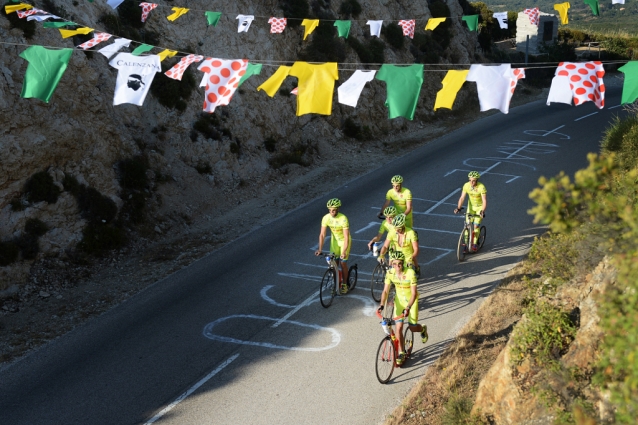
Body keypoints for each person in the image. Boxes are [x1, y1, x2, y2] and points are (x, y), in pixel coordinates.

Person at [377, 251, 428, 366]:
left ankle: (423, 329)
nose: (397, 266)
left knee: (412, 327)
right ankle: (401, 352)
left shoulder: (410, 273)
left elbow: (414, 293)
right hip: (399, 303)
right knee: (398, 328)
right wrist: (381, 304)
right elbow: (385, 291)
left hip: (411, 302)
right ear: (392, 264)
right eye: (394, 264)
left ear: (403, 263)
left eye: (399, 264)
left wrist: (408, 307)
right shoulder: (390, 273)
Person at [315, 198, 351, 292]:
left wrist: (343, 251)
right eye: (330, 210)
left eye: (334, 210)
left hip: (344, 241)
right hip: (334, 242)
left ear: (338, 209)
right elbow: (322, 235)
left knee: (343, 263)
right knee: (334, 264)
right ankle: (336, 285)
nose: (332, 212)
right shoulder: (326, 218)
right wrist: (320, 249)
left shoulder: (343, 218)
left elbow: (346, 237)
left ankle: (344, 284)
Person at [454, 171, 487, 252]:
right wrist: (458, 208)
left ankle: (475, 243)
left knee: (475, 226)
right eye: (470, 180)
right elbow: (462, 198)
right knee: (467, 226)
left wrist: (482, 211)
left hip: (479, 208)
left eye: (474, 180)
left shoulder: (481, 187)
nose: (471, 182)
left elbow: (484, 200)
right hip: (471, 207)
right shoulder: (466, 185)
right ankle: (465, 244)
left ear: (477, 180)